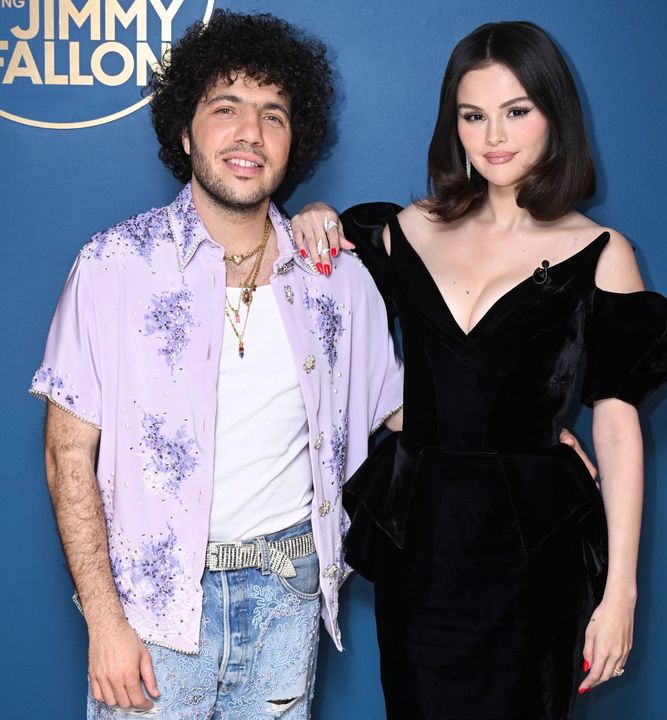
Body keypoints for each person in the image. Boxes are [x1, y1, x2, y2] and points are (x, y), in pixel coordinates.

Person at [292, 20, 667, 720]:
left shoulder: (601, 251)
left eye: (516, 111)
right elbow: (338, 341)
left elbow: (617, 427)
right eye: (473, 115)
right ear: (452, 124)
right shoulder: (405, 230)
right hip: (422, 545)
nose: (493, 137)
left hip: (532, 552)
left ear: (554, 115)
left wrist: (620, 594)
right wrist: (316, 213)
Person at [29, 11, 404, 719]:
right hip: (151, 611)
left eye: (273, 115)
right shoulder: (113, 266)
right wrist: (104, 622)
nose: (250, 133)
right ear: (185, 131)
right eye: (226, 108)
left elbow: (404, 409)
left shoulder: (336, 280)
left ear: (294, 142)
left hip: (287, 599)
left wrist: (531, 431)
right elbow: (66, 455)